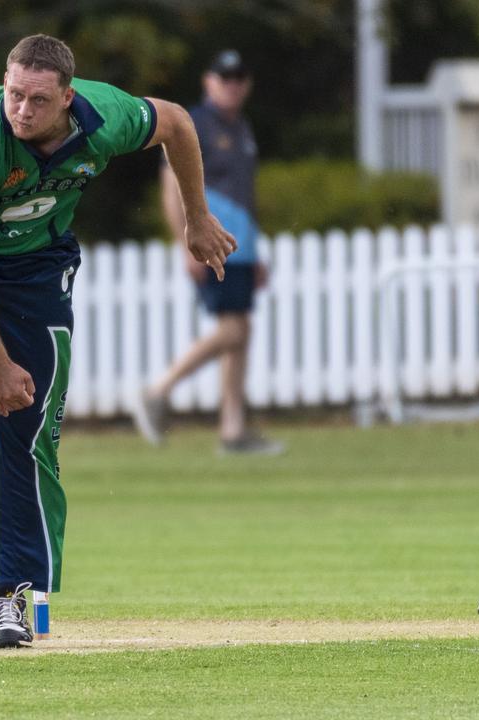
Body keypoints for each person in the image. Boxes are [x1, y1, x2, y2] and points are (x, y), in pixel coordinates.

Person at [0, 34, 236, 648]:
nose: (21, 110)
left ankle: (12, 594)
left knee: (30, 423)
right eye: (14, 94)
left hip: (37, 264)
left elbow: (175, 121)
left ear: (68, 96)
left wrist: (196, 217)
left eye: (38, 100)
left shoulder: (105, 119)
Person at [131, 50, 282, 456]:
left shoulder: (242, 127)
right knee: (233, 331)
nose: (232, 84)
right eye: (225, 77)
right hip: (212, 245)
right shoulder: (195, 123)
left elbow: (243, 196)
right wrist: (185, 243)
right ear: (208, 81)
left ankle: (232, 431)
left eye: (239, 77)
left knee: (241, 333)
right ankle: (158, 390)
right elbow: (170, 187)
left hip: (240, 246)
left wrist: (255, 250)